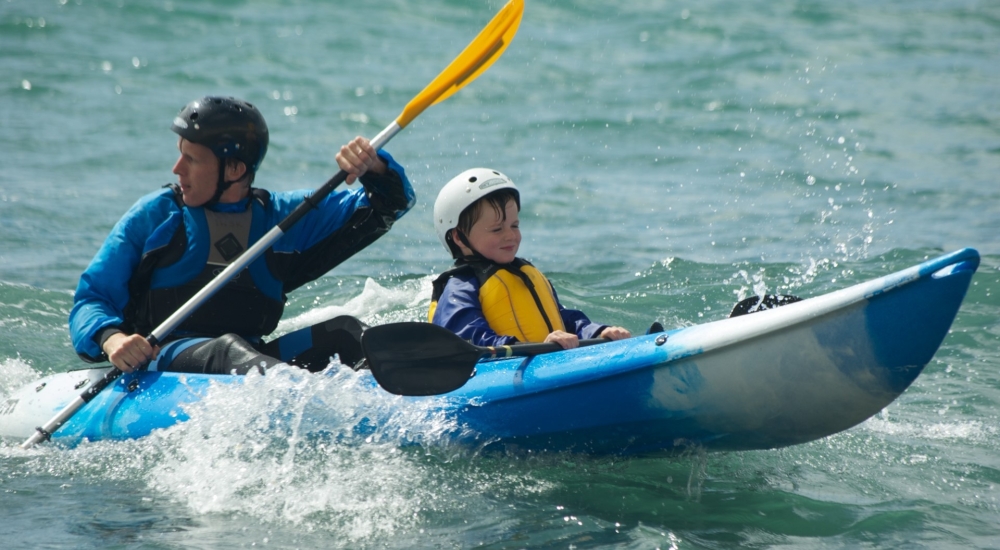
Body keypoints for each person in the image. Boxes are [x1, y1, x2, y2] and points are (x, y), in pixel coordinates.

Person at [69, 96, 415, 374]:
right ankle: (301, 400)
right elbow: (92, 297)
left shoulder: (284, 218)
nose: (177, 169)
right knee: (227, 349)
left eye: (192, 160)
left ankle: (409, 383)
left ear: (234, 169)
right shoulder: (157, 215)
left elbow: (389, 204)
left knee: (345, 332)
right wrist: (112, 339)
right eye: (180, 156)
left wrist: (374, 166)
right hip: (163, 362)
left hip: (251, 359)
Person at [428, 167, 631, 349]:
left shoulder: (524, 273)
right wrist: (530, 347)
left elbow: (564, 319)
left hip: (543, 359)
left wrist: (596, 332)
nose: (510, 235)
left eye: (514, 226)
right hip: (504, 373)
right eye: (497, 229)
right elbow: (470, 339)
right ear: (459, 237)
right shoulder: (460, 288)